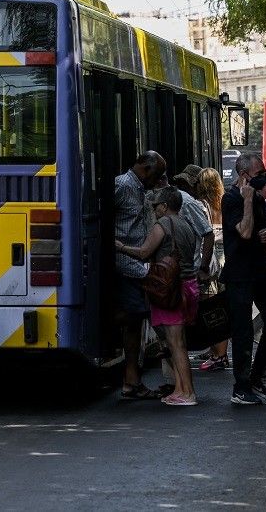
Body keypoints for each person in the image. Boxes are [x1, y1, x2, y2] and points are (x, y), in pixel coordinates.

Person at [116, 186, 200, 406]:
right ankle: (180, 390)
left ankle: (188, 393)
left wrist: (121, 247)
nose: (153, 209)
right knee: (178, 342)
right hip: (189, 286)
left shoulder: (162, 225)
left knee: (176, 344)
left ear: (164, 206)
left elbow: (144, 252)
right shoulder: (186, 225)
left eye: (155, 206)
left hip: (169, 290)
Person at [221, 151, 266, 405]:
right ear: (244, 175)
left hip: (260, 269)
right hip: (240, 273)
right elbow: (244, 232)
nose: (263, 178)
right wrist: (247, 201)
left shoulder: (258, 198)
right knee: (243, 330)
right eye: (259, 174)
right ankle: (241, 385)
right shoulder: (232, 198)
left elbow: (258, 232)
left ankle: (259, 376)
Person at [115, 151, 167, 401]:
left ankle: (132, 377)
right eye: (155, 175)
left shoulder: (138, 189)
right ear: (145, 168)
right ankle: (131, 379)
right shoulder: (123, 186)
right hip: (128, 264)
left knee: (136, 320)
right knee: (134, 319)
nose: (156, 182)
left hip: (138, 262)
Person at [196, 167, 230, 371]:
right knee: (222, 307)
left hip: (210, 261)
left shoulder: (202, 205)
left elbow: (204, 234)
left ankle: (219, 355)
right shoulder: (224, 202)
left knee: (209, 308)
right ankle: (218, 351)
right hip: (226, 259)